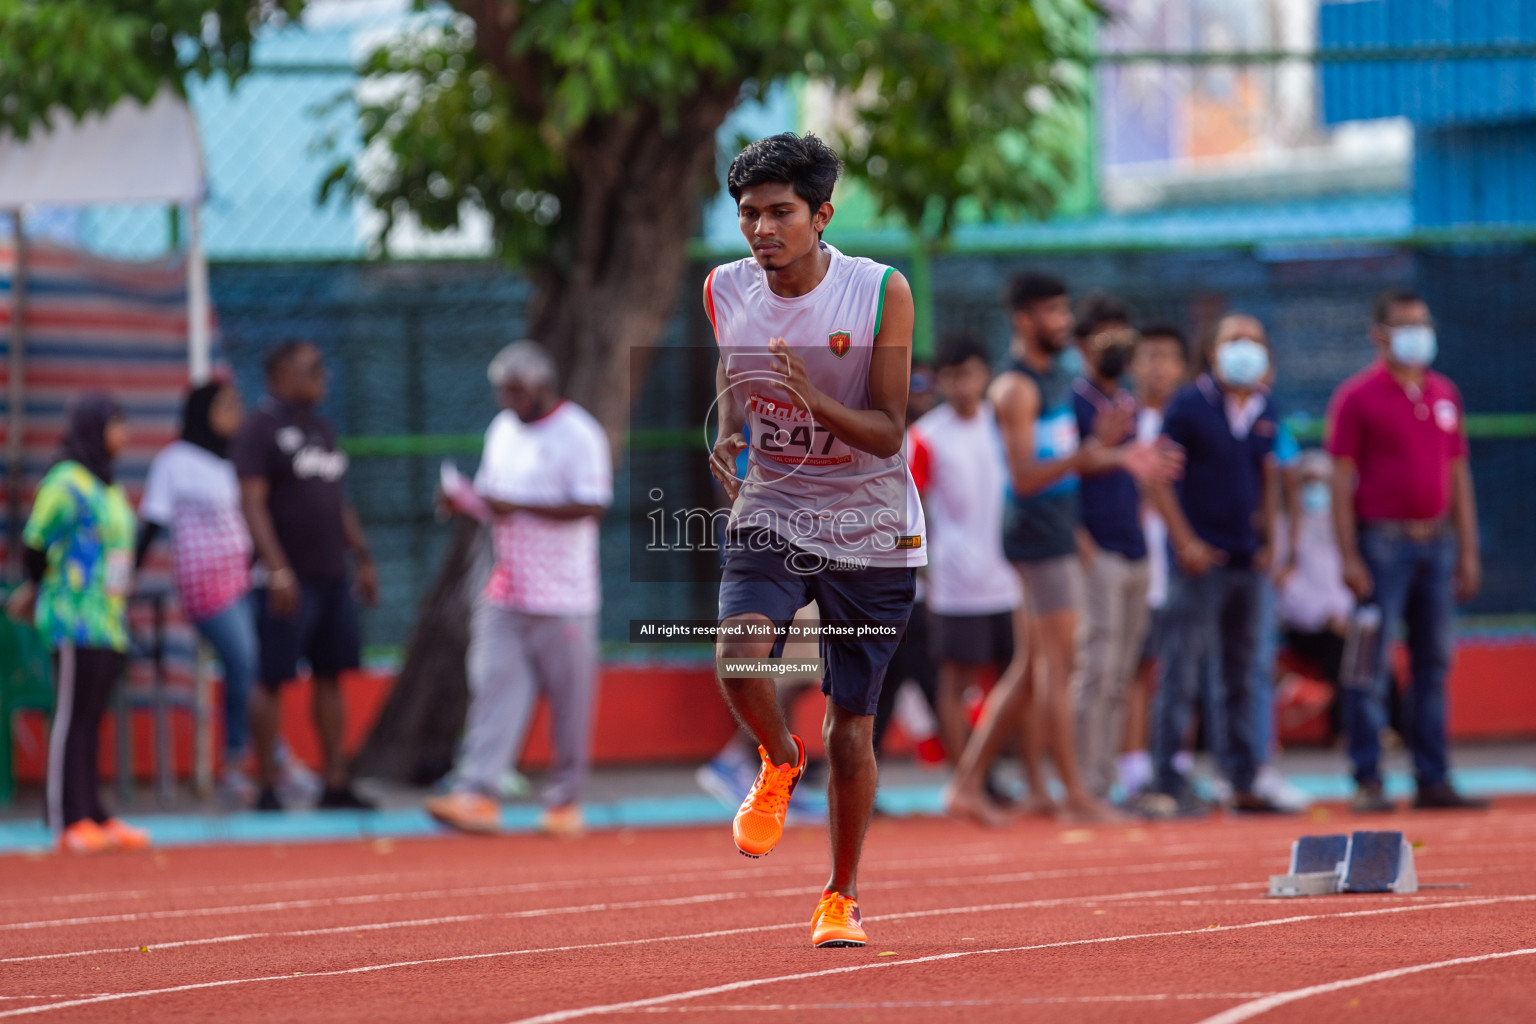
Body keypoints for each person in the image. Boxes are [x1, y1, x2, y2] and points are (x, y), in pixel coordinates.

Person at [705, 132, 923, 948]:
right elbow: (733, 371)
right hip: (774, 507)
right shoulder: (723, 288)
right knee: (736, 654)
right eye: (749, 213)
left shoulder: (879, 294)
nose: (762, 228)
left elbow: (888, 431)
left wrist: (813, 401)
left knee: (854, 726)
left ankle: (841, 894)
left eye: (780, 213)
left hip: (870, 524)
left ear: (822, 214)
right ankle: (778, 759)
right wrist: (730, 431)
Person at [944, 273, 1174, 825]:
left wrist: (1116, 455)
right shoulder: (1017, 388)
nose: (1064, 321)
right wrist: (1089, 454)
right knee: (1055, 668)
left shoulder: (1053, 381)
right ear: (1024, 320)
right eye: (1052, 312)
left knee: (1032, 669)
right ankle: (1070, 792)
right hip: (1038, 537)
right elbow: (1024, 478)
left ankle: (972, 785)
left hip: (1052, 532)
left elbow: (1074, 460)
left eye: (1064, 310)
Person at [426, 341, 613, 837]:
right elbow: (493, 498)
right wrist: (463, 501)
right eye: (502, 392)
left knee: (570, 701)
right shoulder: (503, 430)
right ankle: (477, 793)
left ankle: (565, 803)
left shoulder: (579, 433)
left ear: (542, 386)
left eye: (517, 391)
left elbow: (593, 505)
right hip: (506, 585)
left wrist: (521, 507)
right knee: (491, 687)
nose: (508, 401)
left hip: (564, 593)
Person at [1325, 289, 1487, 812]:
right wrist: (1348, 555)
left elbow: (1457, 472)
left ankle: (1432, 776)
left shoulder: (1444, 393)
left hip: (1435, 542)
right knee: (1368, 664)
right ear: (1379, 335)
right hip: (1381, 545)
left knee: (1434, 662)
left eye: (1423, 323)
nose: (1418, 334)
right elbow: (1340, 478)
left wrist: (1467, 549)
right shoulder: (1356, 397)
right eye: (1404, 325)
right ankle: (1368, 778)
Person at [1145, 313, 1286, 814]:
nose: (1245, 349)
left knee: (1244, 670)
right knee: (1181, 669)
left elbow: (1267, 475)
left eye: (1254, 340)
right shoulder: (1187, 405)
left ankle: (1242, 777)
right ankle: (1167, 779)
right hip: (1199, 561)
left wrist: (1270, 539)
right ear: (1212, 351)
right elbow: (1158, 478)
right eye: (1234, 340)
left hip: (1248, 558)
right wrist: (1185, 543)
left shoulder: (1265, 408)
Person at [232, 341, 378, 811]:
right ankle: (268, 784)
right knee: (272, 678)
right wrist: (277, 570)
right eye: (311, 368)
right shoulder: (260, 430)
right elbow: (252, 503)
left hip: (331, 573)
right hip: (287, 578)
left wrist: (364, 556)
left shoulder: (322, 429)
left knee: (332, 675)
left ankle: (335, 779)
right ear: (280, 376)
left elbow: (340, 499)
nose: (323, 376)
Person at [6, 395, 150, 853]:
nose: (124, 436)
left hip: (108, 621)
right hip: (73, 620)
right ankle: (64, 816)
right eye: (116, 425)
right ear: (94, 428)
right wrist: (39, 587)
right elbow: (34, 544)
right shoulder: (66, 483)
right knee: (70, 717)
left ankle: (92, 810)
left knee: (92, 718)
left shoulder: (107, 487)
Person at [908, 335, 1023, 819]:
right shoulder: (927, 437)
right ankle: (964, 781)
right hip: (954, 581)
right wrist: (923, 575)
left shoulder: (1003, 427)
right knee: (953, 683)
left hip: (1010, 578)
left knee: (1018, 680)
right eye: (951, 377)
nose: (961, 386)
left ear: (985, 377)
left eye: (970, 374)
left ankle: (1016, 778)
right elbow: (909, 511)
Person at [137, 381, 262, 805]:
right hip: (205, 584)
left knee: (262, 664)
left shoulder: (239, 460)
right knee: (242, 659)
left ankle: (271, 760)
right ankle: (233, 764)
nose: (235, 413)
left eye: (237, 404)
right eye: (225, 406)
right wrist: (126, 580)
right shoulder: (175, 461)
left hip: (248, 578)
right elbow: (151, 523)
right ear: (202, 411)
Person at [1071, 320, 1151, 803]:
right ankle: (1086, 780)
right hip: (1097, 550)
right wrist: (1083, 545)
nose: (1116, 347)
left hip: (1135, 549)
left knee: (1121, 673)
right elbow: (1066, 471)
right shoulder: (1074, 402)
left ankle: (1108, 777)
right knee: (1096, 668)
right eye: (1105, 338)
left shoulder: (1127, 402)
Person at [1119, 324, 1188, 798]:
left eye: (1167, 356)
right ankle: (1134, 764)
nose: (1158, 366)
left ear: (1183, 367)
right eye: (1148, 356)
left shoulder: (1191, 421)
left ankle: (1177, 759)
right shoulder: (1122, 422)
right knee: (1136, 666)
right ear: (1132, 366)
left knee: (1183, 664)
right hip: (1136, 559)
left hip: (1184, 560)